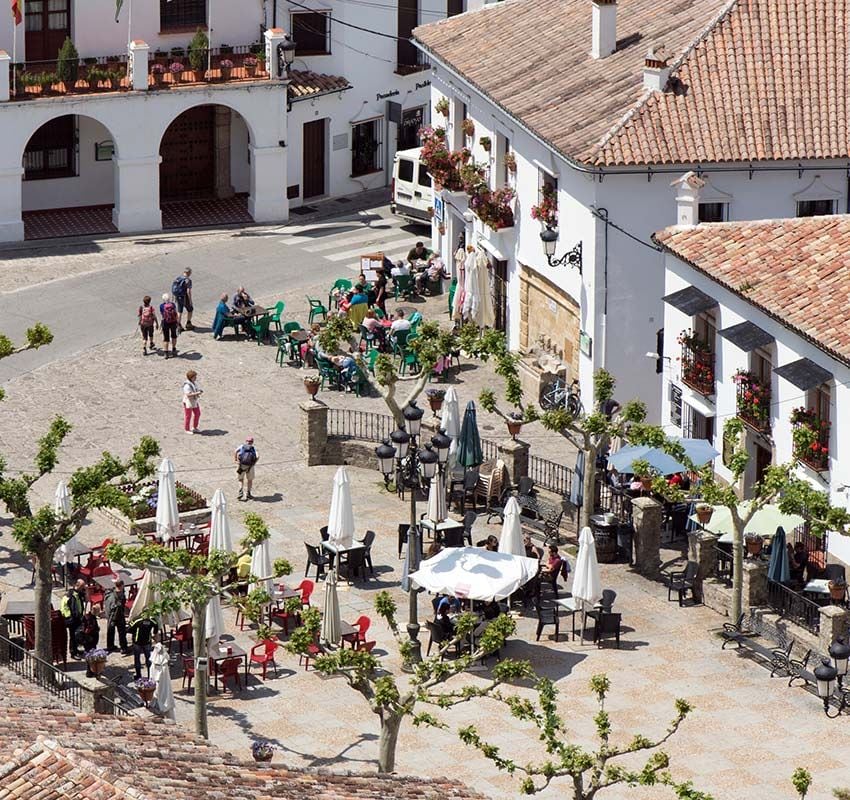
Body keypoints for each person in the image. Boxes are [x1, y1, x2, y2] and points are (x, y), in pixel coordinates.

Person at [60, 579, 86, 658]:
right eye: (82, 587)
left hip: (72, 618)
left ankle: (75, 650)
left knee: (75, 635)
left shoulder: (75, 593)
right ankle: (73, 653)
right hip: (71, 620)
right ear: (78, 586)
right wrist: (80, 619)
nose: (83, 588)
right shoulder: (72, 596)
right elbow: (74, 610)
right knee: (73, 636)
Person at [104, 579, 128, 654]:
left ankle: (110, 646)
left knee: (110, 631)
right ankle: (123, 648)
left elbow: (107, 606)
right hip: (118, 615)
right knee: (122, 632)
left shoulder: (109, 594)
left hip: (111, 616)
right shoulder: (121, 594)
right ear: (121, 585)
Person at [129, 616, 156, 680]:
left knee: (137, 659)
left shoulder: (137, 620)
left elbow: (129, 629)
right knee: (148, 659)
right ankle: (150, 675)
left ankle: (138, 676)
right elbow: (156, 626)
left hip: (137, 642)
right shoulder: (152, 620)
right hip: (147, 642)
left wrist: (135, 633)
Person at [235, 436, 259, 500]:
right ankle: (248, 493)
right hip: (250, 467)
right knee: (250, 480)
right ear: (252, 442)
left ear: (246, 441)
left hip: (241, 466)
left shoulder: (242, 446)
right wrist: (254, 463)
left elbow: (236, 451)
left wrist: (236, 460)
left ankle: (240, 491)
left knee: (240, 479)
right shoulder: (253, 448)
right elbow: (258, 456)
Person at [78, 608, 101, 674]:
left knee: (89, 655)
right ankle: (90, 671)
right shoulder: (91, 618)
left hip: (87, 640)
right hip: (90, 640)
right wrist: (96, 629)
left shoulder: (87, 616)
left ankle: (90, 670)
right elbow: (89, 629)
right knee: (91, 655)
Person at [182, 370, 202, 434]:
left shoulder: (193, 383)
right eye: (194, 377)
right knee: (188, 416)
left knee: (197, 413)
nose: (196, 378)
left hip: (194, 401)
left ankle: (194, 427)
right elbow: (188, 394)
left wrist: (198, 392)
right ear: (191, 377)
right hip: (188, 402)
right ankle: (187, 429)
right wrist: (197, 393)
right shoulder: (187, 385)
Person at [160, 293, 179, 358]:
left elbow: (162, 314)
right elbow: (176, 313)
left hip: (165, 323)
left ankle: (166, 353)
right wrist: (178, 322)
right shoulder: (173, 305)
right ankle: (174, 349)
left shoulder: (161, 306)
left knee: (166, 338)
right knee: (174, 336)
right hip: (173, 322)